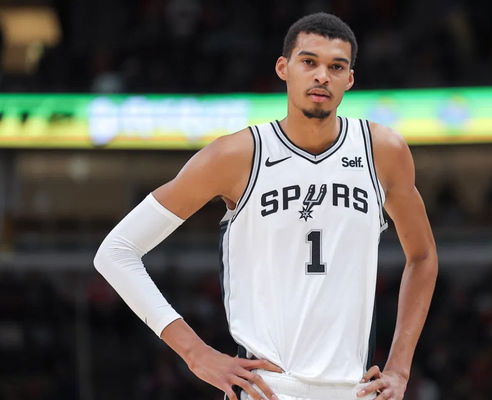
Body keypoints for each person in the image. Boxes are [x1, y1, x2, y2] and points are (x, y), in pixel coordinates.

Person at [94, 12, 437, 400]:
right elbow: (116, 252)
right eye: (309, 62)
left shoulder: (383, 152)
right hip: (265, 389)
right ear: (283, 68)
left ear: (349, 79)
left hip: (353, 390)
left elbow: (422, 256)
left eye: (336, 67)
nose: (322, 76)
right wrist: (196, 354)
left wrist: (400, 367)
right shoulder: (235, 154)